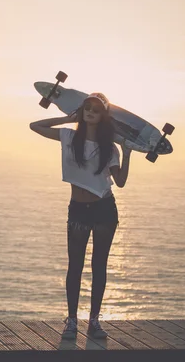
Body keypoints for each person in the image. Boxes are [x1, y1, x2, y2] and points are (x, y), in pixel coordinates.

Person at [29, 92, 132, 339]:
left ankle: (94, 321)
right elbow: (36, 126)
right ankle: (72, 321)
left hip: (104, 209)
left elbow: (120, 182)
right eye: (87, 108)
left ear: (103, 116)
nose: (90, 112)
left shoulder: (110, 149)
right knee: (74, 266)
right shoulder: (69, 136)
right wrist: (66, 117)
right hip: (78, 209)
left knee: (99, 266)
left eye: (95, 109)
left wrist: (127, 153)